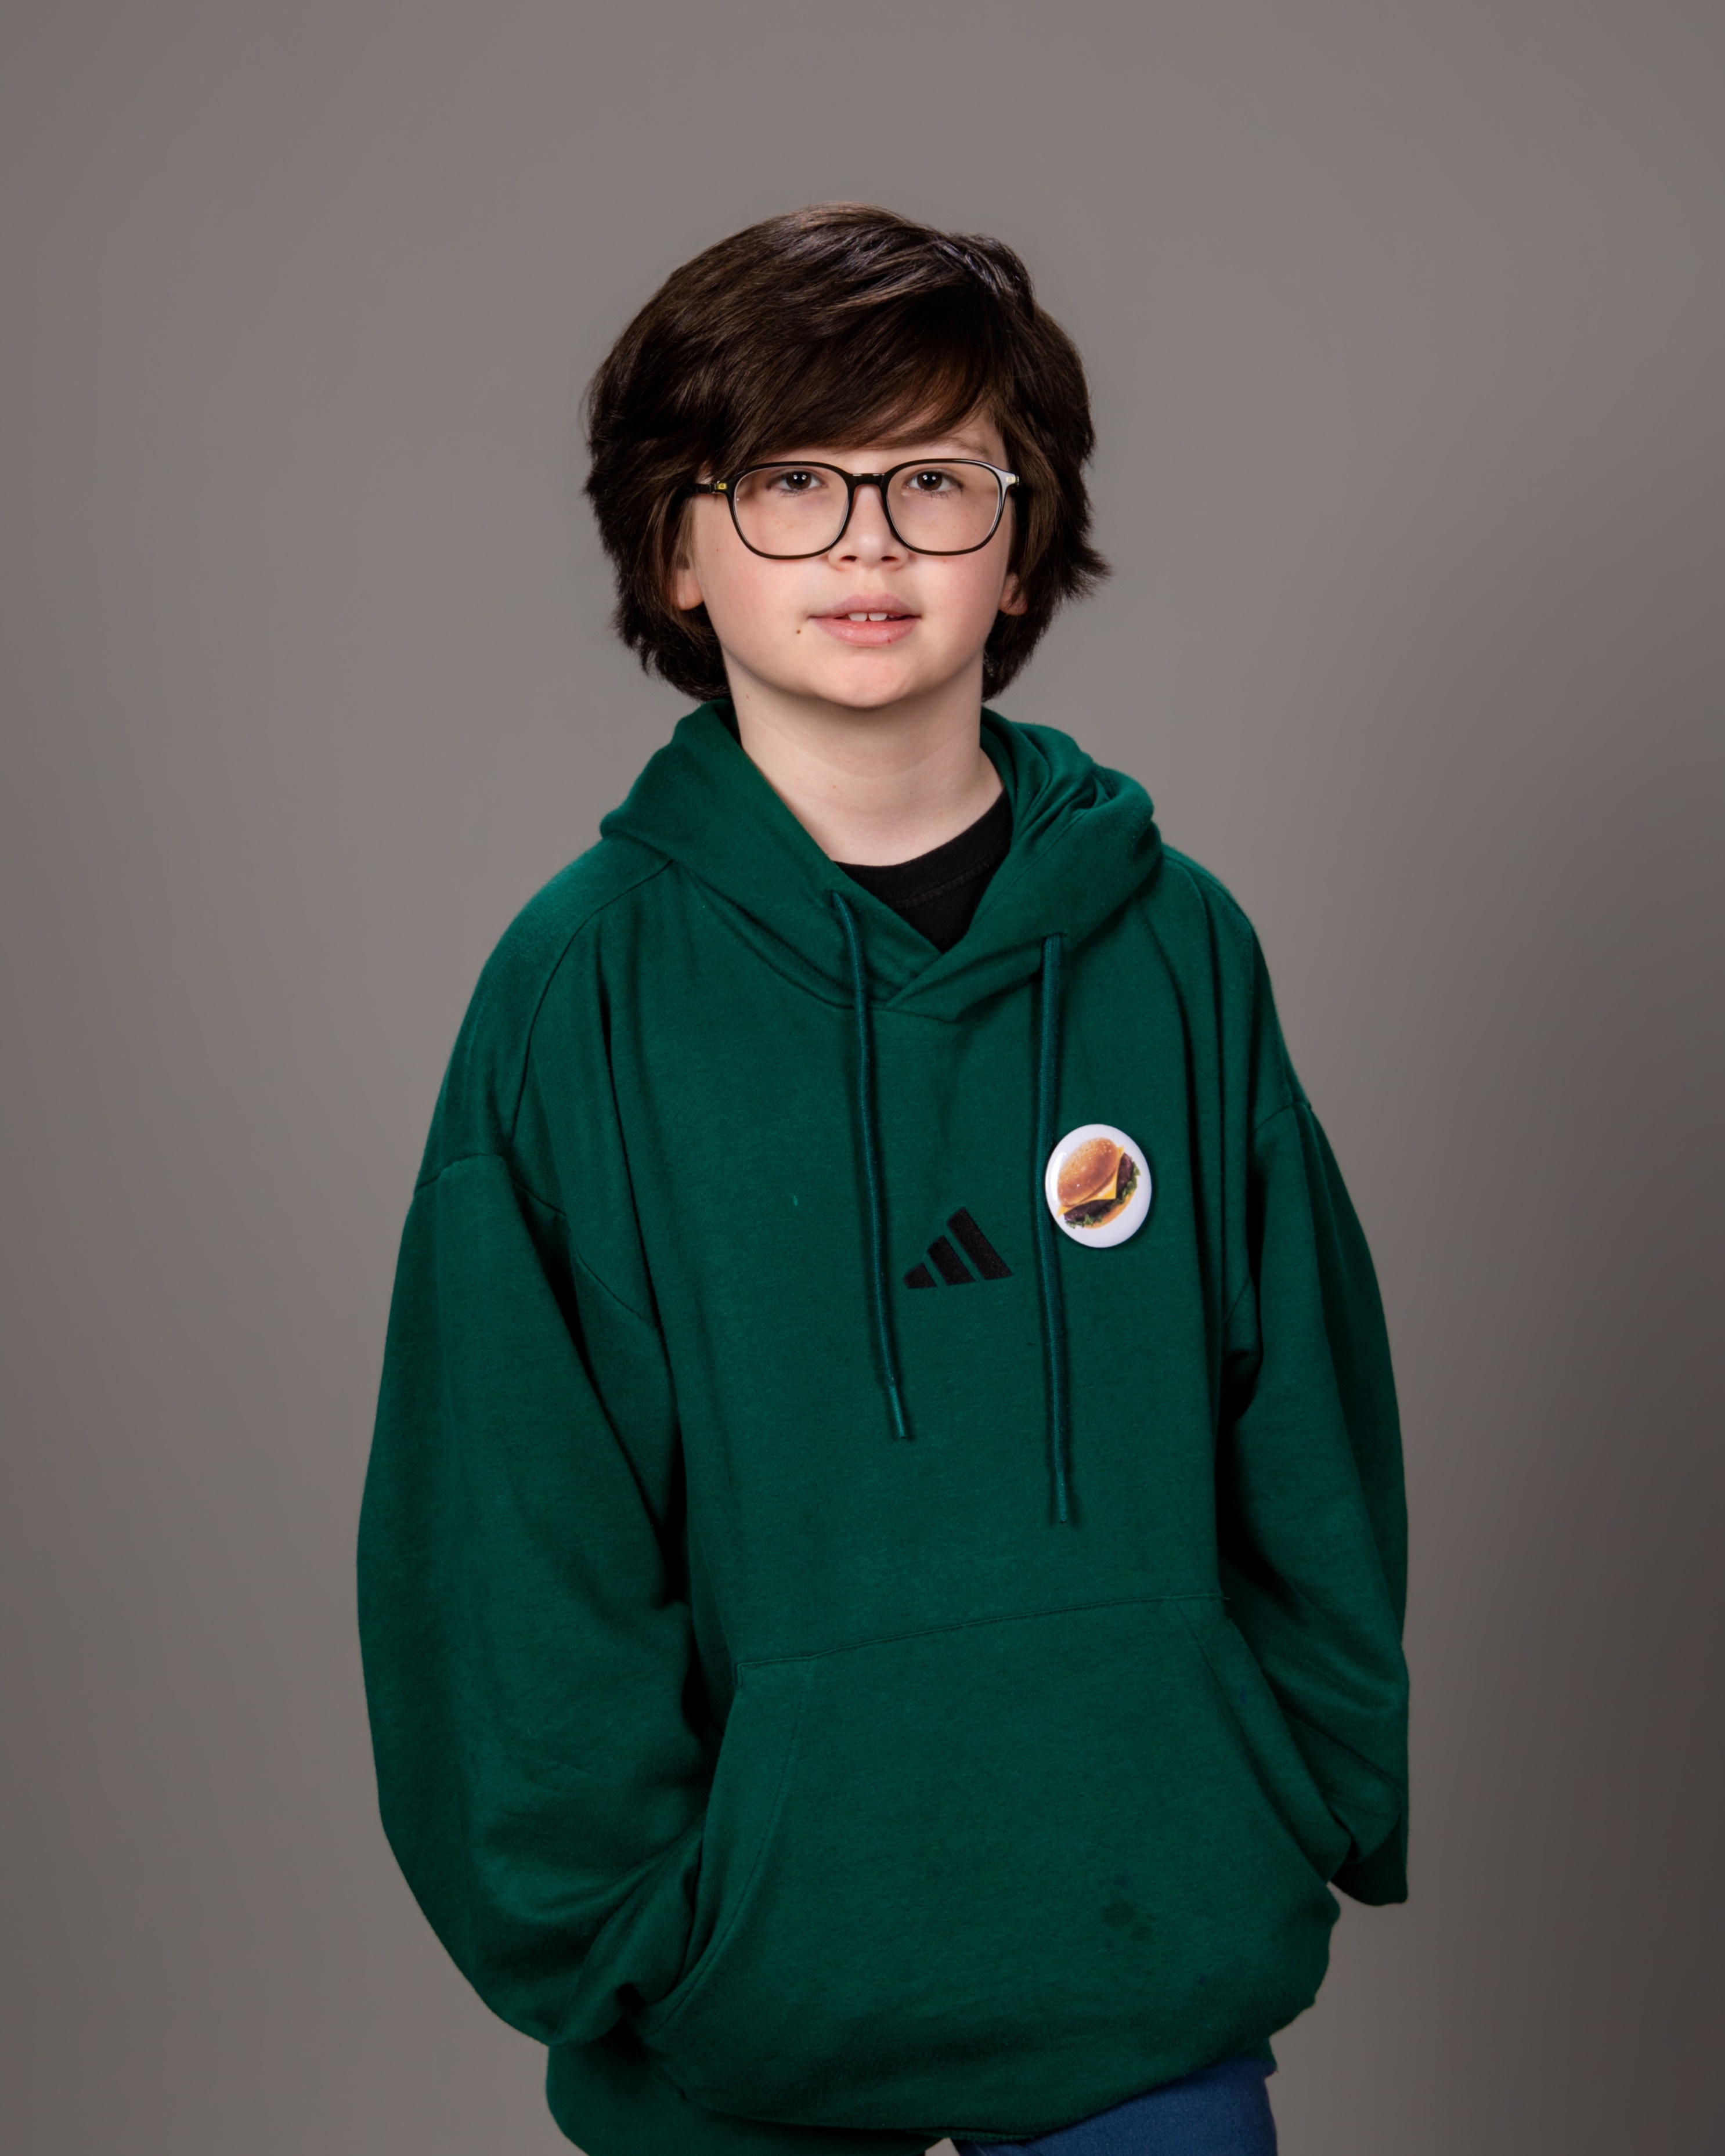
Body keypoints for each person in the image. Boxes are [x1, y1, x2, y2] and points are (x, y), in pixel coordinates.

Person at [358, 204, 1409, 2156]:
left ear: (1022, 537)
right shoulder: (576, 990)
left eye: (934, 479)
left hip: (1148, 1970)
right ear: (676, 548)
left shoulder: (1176, 947)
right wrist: (640, 1942)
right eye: (789, 483)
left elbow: (1310, 1430)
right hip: (740, 2024)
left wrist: (1293, 1795)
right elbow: (504, 1539)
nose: (867, 543)